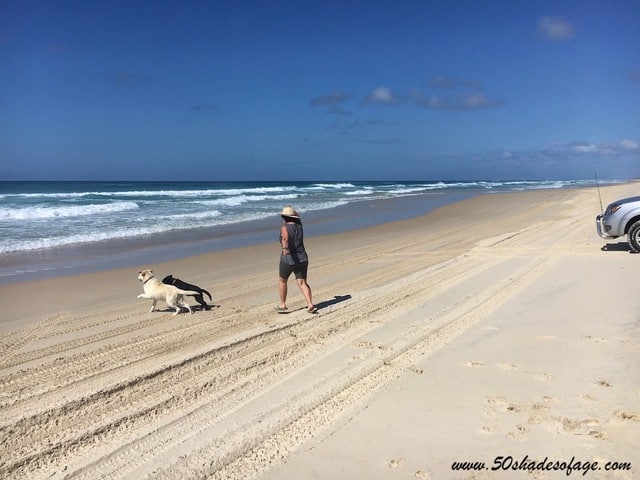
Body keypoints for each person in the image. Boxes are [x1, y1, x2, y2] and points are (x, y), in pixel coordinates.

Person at [276, 206, 317, 314]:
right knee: (302, 282)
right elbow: (297, 218)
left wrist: (284, 248)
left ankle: (283, 304)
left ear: (283, 217)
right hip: (303, 257)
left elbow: (285, 237)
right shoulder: (299, 225)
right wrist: (293, 211)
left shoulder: (284, 227)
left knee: (282, 281)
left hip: (289, 259)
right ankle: (310, 304)